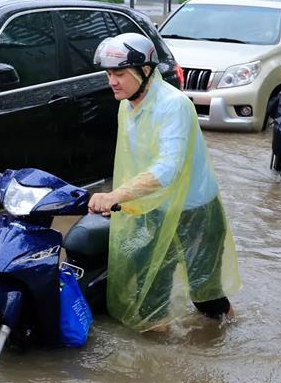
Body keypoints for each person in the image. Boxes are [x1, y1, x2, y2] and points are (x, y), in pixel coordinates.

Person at [88, 33, 241, 331]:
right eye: (108, 74)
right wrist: (121, 200)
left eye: (119, 73)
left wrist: (115, 195)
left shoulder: (174, 105)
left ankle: (227, 338)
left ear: (145, 71)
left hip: (194, 211)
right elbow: (134, 159)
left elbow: (167, 169)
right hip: (153, 210)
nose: (112, 81)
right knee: (149, 291)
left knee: (206, 298)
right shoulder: (128, 104)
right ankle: (154, 364)